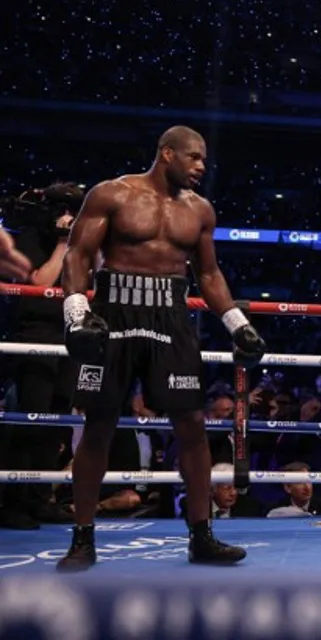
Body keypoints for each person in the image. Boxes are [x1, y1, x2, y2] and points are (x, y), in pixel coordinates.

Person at [57, 125, 267, 572]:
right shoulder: (112, 194)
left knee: (191, 423)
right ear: (166, 153)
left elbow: (208, 275)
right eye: (193, 157)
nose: (201, 167)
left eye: (204, 160)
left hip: (171, 318)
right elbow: (77, 254)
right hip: (113, 313)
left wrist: (237, 324)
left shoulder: (200, 210)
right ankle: (82, 538)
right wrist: (77, 313)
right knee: (99, 425)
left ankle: (202, 536)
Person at [0, 184, 83, 529]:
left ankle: (39, 499)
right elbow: (38, 285)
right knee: (29, 422)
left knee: (56, 426)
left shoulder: (79, 243)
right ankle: (12, 502)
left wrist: (78, 242)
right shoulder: (30, 237)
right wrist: (63, 245)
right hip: (34, 339)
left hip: (68, 338)